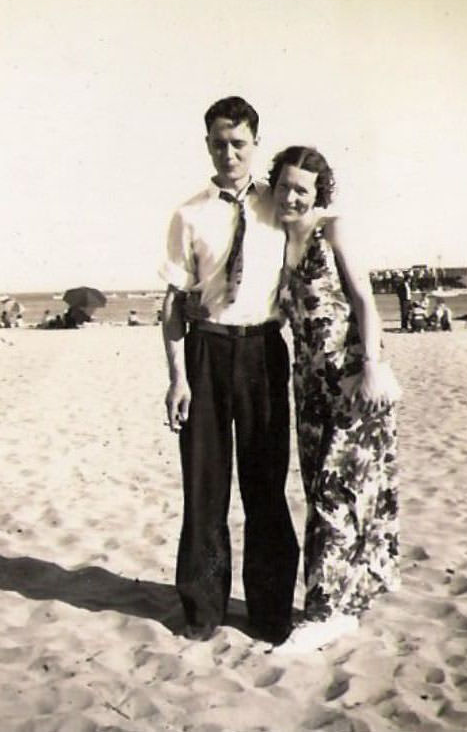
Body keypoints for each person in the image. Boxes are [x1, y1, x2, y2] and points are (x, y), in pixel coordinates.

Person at [160, 96, 299, 645]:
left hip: (264, 352)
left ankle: (269, 610)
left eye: (239, 143)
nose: (229, 153)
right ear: (207, 145)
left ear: (255, 145)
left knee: (265, 485)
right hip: (207, 351)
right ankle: (202, 609)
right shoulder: (188, 214)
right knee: (204, 485)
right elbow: (173, 303)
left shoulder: (280, 208)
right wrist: (177, 377)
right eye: (219, 143)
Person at [268, 146, 402, 654]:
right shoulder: (279, 241)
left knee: (334, 492)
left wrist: (370, 367)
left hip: (350, 378)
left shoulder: (333, 230)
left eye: (302, 188)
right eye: (284, 186)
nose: (292, 196)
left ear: (318, 193)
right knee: (325, 494)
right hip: (308, 383)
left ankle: (324, 612)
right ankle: (343, 608)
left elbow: (365, 300)